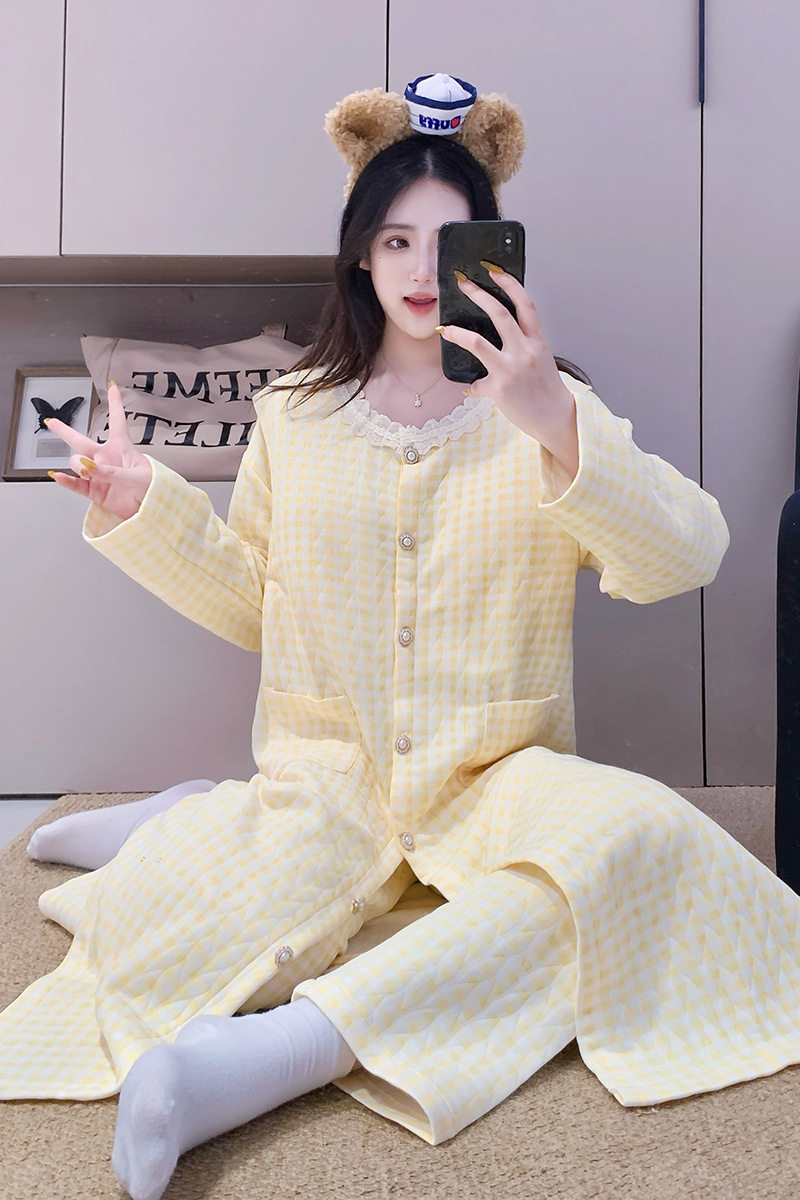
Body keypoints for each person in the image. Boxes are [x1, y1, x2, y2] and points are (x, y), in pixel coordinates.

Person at [5, 74, 800, 1200]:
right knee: (164, 927)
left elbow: (691, 554)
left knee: (630, 846)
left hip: (498, 781)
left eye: (448, 242)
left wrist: (555, 423)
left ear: (495, 255)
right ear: (360, 257)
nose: (423, 272)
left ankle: (254, 1064)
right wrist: (146, 502)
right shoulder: (294, 416)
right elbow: (257, 604)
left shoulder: (546, 407)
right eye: (394, 241)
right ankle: (186, 822)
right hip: (328, 780)